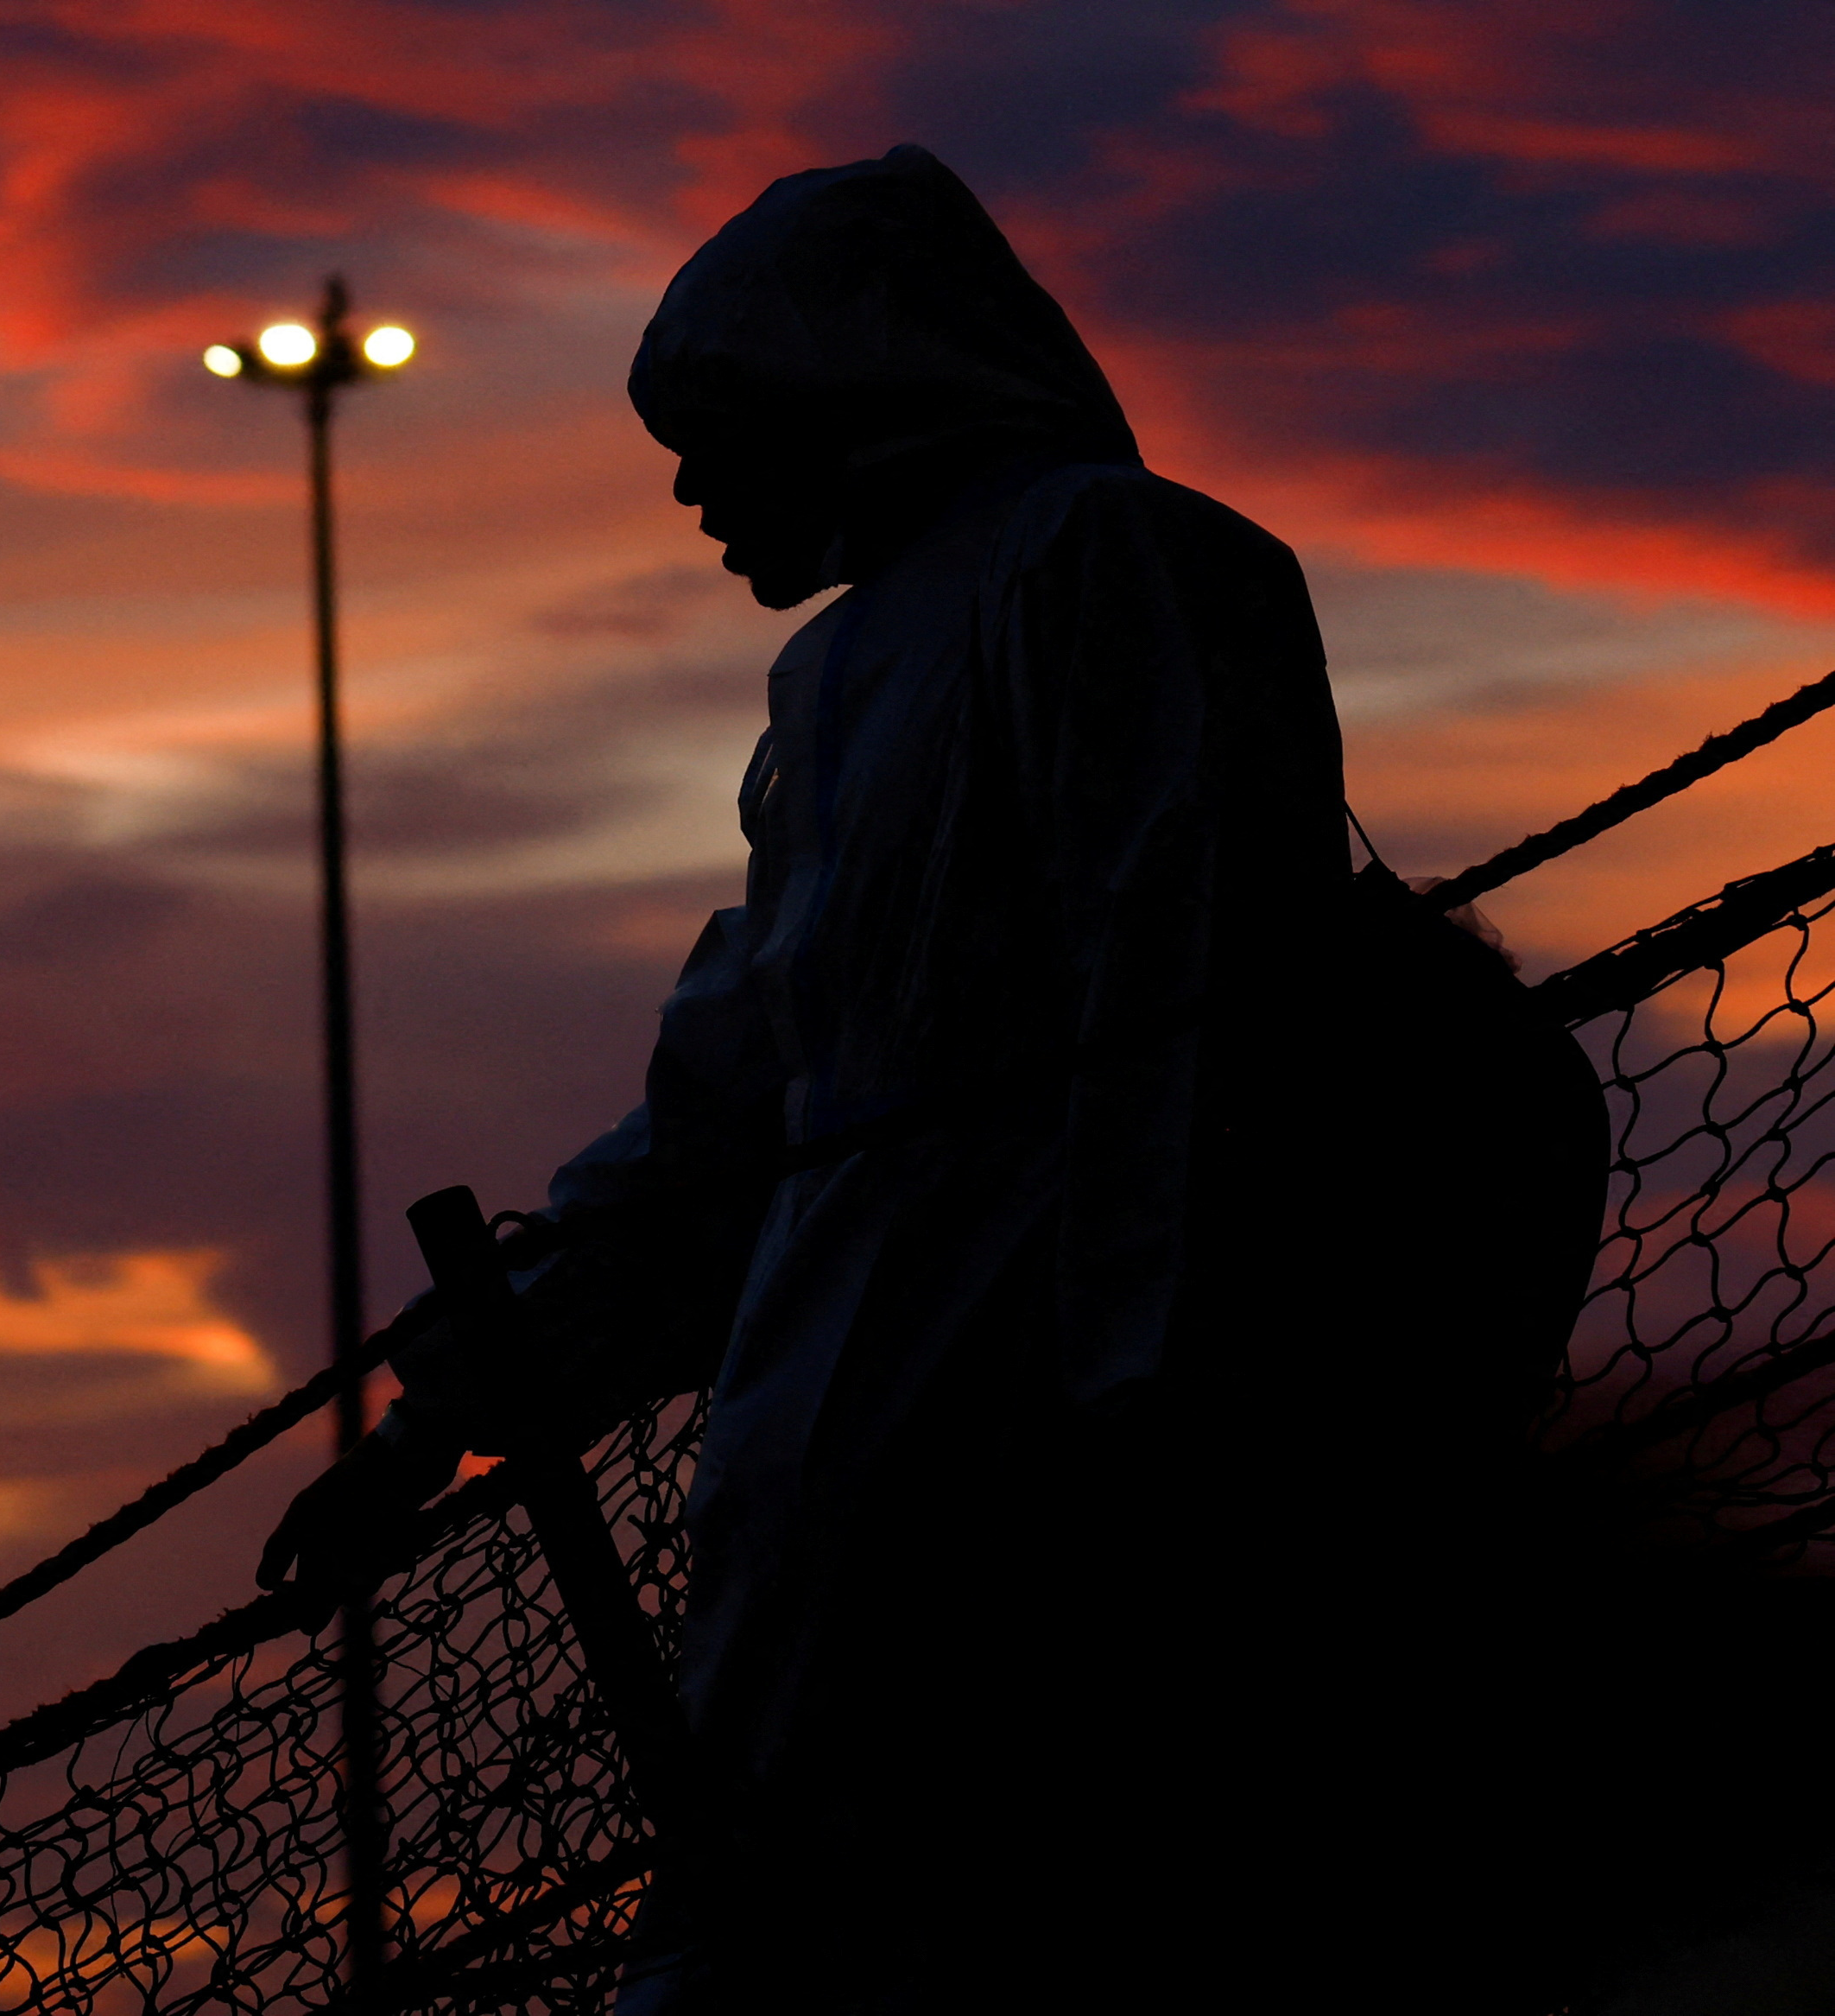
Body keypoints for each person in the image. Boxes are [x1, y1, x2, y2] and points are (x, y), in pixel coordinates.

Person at [259, 145, 1610, 2013]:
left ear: (846, 380)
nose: (684, 484)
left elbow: (1190, 988)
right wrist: (443, 1419)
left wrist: (1147, 1379)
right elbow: (729, 1108)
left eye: (715, 422)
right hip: (830, 1433)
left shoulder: (1109, 561)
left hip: (1043, 1401)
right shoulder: (825, 694)